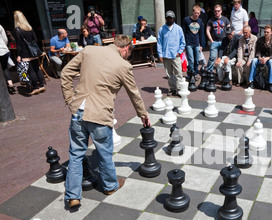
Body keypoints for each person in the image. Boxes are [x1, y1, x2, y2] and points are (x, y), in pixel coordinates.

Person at [61, 35, 150, 208]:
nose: (127, 57)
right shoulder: (123, 65)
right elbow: (134, 93)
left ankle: (73, 196)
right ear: (125, 49)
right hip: (100, 115)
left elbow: (65, 73)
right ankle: (110, 186)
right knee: (104, 153)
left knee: (75, 155)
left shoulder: (89, 50)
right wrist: (143, 115)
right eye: (128, 54)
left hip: (78, 111)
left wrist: (70, 101)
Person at [13, 10, 45, 95]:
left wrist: (18, 55)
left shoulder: (17, 30)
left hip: (25, 52)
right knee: (37, 68)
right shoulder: (29, 27)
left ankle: (35, 88)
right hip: (33, 51)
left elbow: (19, 44)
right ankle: (42, 85)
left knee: (30, 71)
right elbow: (35, 39)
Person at [157, 10, 186, 96]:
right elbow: (159, 42)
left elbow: (183, 42)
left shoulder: (178, 29)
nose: (169, 19)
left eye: (171, 18)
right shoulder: (162, 29)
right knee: (169, 74)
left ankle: (180, 89)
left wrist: (179, 52)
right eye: (168, 18)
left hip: (175, 55)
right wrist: (160, 54)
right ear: (166, 18)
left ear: (174, 18)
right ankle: (173, 89)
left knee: (179, 74)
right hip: (166, 55)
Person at [248, 25, 272, 93]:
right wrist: (259, 57)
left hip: (269, 58)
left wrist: (267, 58)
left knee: (271, 62)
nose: (266, 33)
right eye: (265, 32)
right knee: (253, 61)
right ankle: (251, 82)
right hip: (261, 58)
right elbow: (258, 51)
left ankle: (270, 84)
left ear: (271, 32)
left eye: (267, 32)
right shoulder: (260, 40)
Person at [206, 5, 231, 71]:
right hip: (215, 41)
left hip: (224, 41)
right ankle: (209, 71)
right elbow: (207, 30)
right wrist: (211, 40)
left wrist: (229, 38)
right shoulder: (211, 20)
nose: (217, 12)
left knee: (223, 58)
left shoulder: (225, 19)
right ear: (214, 12)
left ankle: (221, 72)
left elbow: (229, 29)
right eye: (215, 11)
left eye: (218, 11)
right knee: (212, 57)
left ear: (221, 11)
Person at [182, 5, 204, 77]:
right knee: (191, 60)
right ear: (193, 12)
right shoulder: (186, 20)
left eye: (198, 13)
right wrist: (183, 44)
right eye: (195, 13)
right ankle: (190, 73)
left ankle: (195, 74)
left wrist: (201, 45)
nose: (197, 14)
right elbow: (183, 32)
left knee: (197, 60)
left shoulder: (200, 21)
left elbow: (201, 33)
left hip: (197, 43)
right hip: (189, 43)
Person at [0, 24, 15, 94]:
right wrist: (4, 45)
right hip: (3, 50)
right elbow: (5, 39)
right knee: (5, 68)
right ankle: (10, 82)